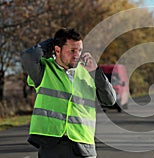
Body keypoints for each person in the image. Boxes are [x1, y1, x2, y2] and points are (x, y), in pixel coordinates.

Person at [21, 28, 116, 158]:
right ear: (57, 50)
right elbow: (28, 56)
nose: (77, 55)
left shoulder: (89, 72)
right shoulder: (44, 70)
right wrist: (52, 42)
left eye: (80, 50)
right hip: (51, 145)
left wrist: (96, 72)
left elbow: (110, 100)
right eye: (72, 50)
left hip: (83, 145)